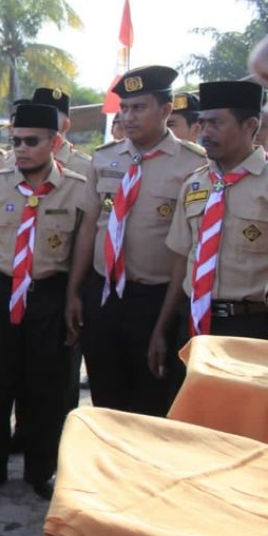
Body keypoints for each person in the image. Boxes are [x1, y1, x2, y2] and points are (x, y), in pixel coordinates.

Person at [65, 66, 207, 417]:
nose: (128, 117)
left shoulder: (193, 166)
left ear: (166, 110)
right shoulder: (105, 157)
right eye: (123, 108)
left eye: (138, 108)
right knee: (105, 398)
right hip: (103, 293)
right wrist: (75, 292)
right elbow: (89, 229)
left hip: (155, 298)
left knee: (151, 404)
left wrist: (163, 322)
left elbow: (185, 250)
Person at [0, 102, 85, 501]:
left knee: (47, 388)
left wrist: (73, 298)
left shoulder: (77, 188)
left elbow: (81, 252)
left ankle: (42, 470)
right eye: (16, 140)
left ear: (55, 142)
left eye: (32, 141)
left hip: (49, 294)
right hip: (0, 291)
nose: (21, 148)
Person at [149, 81, 268, 384]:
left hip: (249, 328)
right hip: (192, 324)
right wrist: (162, 329)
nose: (205, 132)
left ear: (250, 125)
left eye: (216, 123)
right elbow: (181, 260)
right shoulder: (195, 183)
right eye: (202, 122)